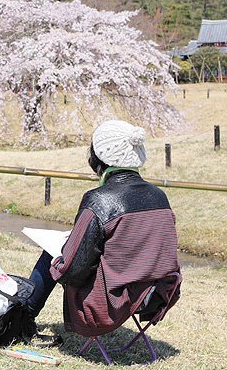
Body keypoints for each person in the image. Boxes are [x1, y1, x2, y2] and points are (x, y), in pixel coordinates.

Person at [23, 119, 181, 342]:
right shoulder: (159, 196)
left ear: (98, 157)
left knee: (52, 254)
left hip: (111, 301)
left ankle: (24, 317)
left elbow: (73, 270)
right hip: (156, 295)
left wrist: (58, 262)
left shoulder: (98, 200)